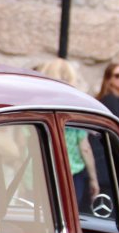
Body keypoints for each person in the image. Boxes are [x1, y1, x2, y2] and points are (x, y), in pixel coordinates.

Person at [37, 58, 99, 211]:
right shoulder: (73, 108)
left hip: (40, 171)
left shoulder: (37, 106)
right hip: (70, 173)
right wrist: (93, 179)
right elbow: (84, 147)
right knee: (67, 215)